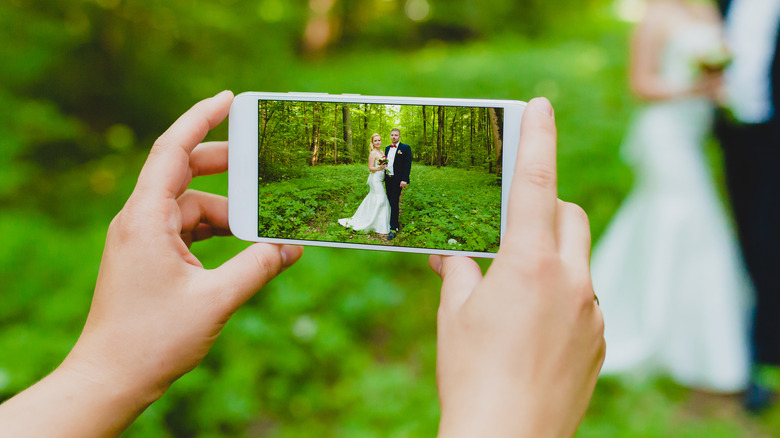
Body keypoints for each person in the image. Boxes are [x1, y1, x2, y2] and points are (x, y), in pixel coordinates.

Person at [0, 94, 605, 437]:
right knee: (372, 210)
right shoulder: (376, 148)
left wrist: (106, 370)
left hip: (391, 183)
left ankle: (387, 224)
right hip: (376, 181)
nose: (392, 132)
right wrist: (512, 416)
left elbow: (405, 170)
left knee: (384, 209)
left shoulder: (405, 148)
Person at [590, 0, 752, 392]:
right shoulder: (655, 15)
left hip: (693, 132)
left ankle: (694, 338)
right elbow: (641, 84)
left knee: (686, 219)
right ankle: (650, 331)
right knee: (679, 217)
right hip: (663, 134)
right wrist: (695, 87)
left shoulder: (711, 12)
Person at [715, 0, 780, 411]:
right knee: (743, 240)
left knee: (767, 239)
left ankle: (764, 356)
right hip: (735, 134)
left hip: (774, 135)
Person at [338, 133, 391, 235]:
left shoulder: (381, 151)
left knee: (375, 198)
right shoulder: (373, 153)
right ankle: (373, 223)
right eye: (375, 141)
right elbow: (370, 168)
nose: (377, 142)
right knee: (381, 199)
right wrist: (380, 168)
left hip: (380, 178)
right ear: (372, 142)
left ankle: (376, 221)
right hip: (375, 179)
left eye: (379, 140)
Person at [384, 128, 412, 240]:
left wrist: (404, 179)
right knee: (390, 200)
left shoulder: (405, 148)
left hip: (398, 179)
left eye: (396, 135)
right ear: (390, 136)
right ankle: (390, 220)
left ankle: (394, 228)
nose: (394, 137)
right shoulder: (386, 148)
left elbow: (407, 164)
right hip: (388, 179)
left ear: (399, 137)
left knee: (394, 201)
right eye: (392, 135)